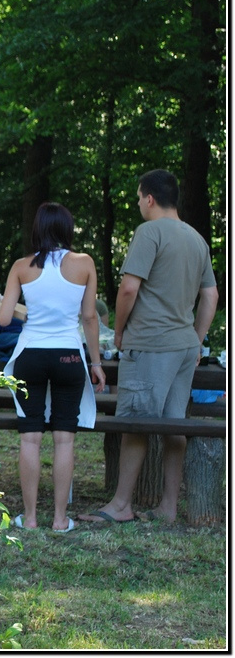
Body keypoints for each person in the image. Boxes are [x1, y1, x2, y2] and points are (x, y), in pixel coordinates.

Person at [78, 169, 217, 525]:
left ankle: (121, 505)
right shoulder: (197, 239)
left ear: (150, 198)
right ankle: (169, 507)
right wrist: (197, 339)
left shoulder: (149, 232)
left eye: (140, 198)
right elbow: (211, 295)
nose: (139, 204)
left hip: (151, 344)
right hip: (185, 345)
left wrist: (120, 331)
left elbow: (128, 289)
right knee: (174, 426)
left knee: (135, 422)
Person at [0, 202, 107, 532]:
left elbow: (2, 318)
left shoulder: (21, 266)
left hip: (31, 355)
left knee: (30, 439)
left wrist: (25, 311)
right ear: (67, 229)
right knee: (64, 439)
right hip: (70, 356)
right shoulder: (84, 263)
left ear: (38, 229)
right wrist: (96, 362)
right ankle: (60, 519)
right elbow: (89, 317)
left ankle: (29, 519)